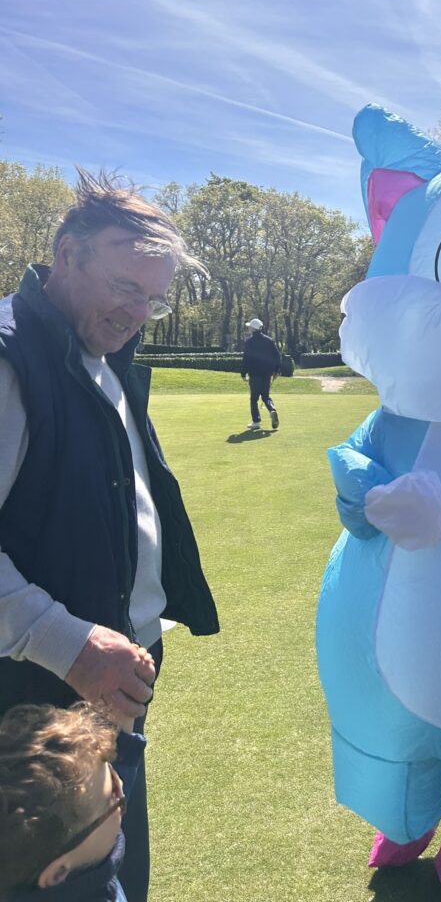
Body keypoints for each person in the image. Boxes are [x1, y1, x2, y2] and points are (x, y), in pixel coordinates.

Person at [0, 171, 219, 902]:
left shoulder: (101, 358)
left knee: (113, 871)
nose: (139, 312)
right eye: (126, 286)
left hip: (110, 675)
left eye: (154, 299)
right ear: (67, 254)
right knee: (54, 883)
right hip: (33, 687)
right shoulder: (9, 357)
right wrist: (68, 643)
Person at [0, 700, 147, 902]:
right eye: (115, 798)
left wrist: (125, 707)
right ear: (58, 873)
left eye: (111, 771)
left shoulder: (75, 845)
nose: (120, 785)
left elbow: (101, 804)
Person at [240, 317, 281, 431]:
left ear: (253, 329)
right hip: (267, 373)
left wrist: (243, 374)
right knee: (266, 396)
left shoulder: (249, 342)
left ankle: (256, 421)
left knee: (254, 398)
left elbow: (246, 360)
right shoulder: (269, 340)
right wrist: (277, 370)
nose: (248, 329)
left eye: (250, 327)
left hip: (255, 374)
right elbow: (277, 356)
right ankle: (271, 409)